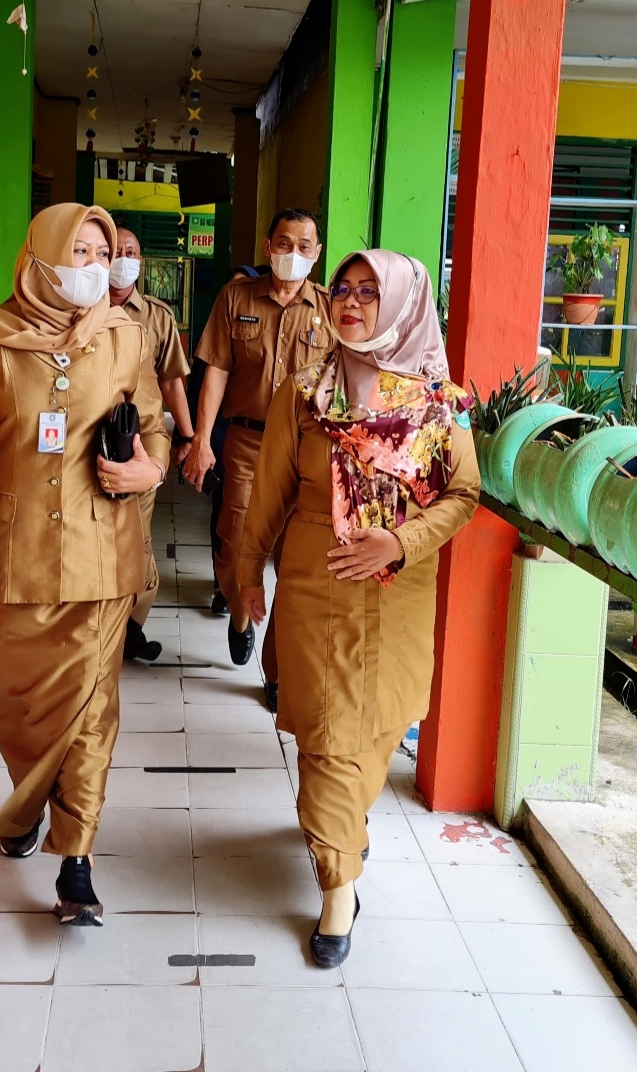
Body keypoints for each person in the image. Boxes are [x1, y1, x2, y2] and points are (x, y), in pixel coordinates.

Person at [0, 203, 169, 927]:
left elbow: (152, 423)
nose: (92, 266)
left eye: (99, 253)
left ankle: (76, 859)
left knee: (91, 711)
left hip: (101, 554)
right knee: (19, 706)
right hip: (9, 557)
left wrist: (148, 471)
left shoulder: (125, 337)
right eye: (78, 251)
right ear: (40, 257)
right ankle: (28, 802)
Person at [238, 250, 480, 967]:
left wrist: (400, 542)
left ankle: (343, 825)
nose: (349, 303)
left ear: (404, 305)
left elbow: (464, 496)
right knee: (325, 735)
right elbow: (273, 492)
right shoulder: (303, 392)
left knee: (374, 728)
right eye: (342, 290)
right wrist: (247, 573)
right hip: (316, 586)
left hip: (397, 590)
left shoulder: (437, 402)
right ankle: (339, 882)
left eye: (370, 293)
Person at [183, 211, 333, 713]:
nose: (294, 253)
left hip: (306, 448)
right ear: (268, 245)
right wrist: (201, 439)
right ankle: (240, 612)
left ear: (317, 252)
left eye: (305, 245)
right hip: (246, 443)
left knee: (294, 561)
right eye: (285, 243)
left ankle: (276, 673)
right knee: (234, 542)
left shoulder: (331, 310)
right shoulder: (236, 298)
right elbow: (217, 372)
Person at [108, 226, 195, 662]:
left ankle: (130, 627)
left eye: (131, 252)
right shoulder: (77, 307)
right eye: (115, 251)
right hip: (87, 445)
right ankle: (103, 626)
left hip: (141, 448)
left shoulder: (158, 315)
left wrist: (189, 437)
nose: (123, 259)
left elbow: (172, 381)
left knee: (137, 542)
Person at [185, 264, 266, 618]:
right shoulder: (229, 308)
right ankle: (236, 610)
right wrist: (195, 439)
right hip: (236, 434)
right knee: (231, 530)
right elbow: (205, 379)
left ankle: (276, 661)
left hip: (293, 443)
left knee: (291, 545)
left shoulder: (320, 309)